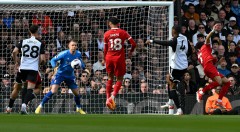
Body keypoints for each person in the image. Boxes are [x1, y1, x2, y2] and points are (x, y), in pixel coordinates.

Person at [146, 25, 192, 115]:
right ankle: (170, 101)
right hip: (184, 65)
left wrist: (152, 41)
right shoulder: (185, 38)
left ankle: (179, 109)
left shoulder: (175, 40)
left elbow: (166, 43)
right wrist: (183, 56)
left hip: (176, 66)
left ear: (174, 31)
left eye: (172, 31)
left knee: (172, 86)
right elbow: (190, 51)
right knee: (168, 78)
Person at [35, 39, 86, 114]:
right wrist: (54, 67)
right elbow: (52, 60)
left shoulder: (78, 54)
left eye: (75, 45)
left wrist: (84, 68)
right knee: (53, 90)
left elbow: (80, 62)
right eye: (72, 45)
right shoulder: (64, 54)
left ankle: (78, 108)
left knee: (76, 93)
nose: (74, 47)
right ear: (69, 46)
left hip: (70, 75)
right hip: (60, 74)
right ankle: (40, 106)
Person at [103, 17, 136, 111]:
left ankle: (107, 98)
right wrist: (130, 52)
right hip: (119, 59)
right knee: (120, 79)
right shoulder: (123, 32)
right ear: (118, 24)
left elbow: (105, 49)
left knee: (110, 77)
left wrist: (105, 59)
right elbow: (133, 44)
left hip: (109, 58)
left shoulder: (106, 34)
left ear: (110, 23)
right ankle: (112, 97)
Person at [11, 25, 45, 114]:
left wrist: (16, 62)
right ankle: (23, 105)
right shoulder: (40, 43)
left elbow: (14, 52)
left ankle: (10, 106)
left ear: (30, 32)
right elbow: (43, 59)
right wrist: (40, 64)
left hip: (22, 68)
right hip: (33, 68)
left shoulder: (23, 41)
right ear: (37, 31)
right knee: (30, 88)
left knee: (20, 87)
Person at [196, 23, 230, 108]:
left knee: (227, 82)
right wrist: (213, 30)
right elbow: (207, 38)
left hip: (208, 67)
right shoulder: (205, 47)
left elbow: (213, 66)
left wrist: (218, 62)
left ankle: (219, 101)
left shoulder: (200, 54)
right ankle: (201, 92)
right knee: (219, 82)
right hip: (208, 67)